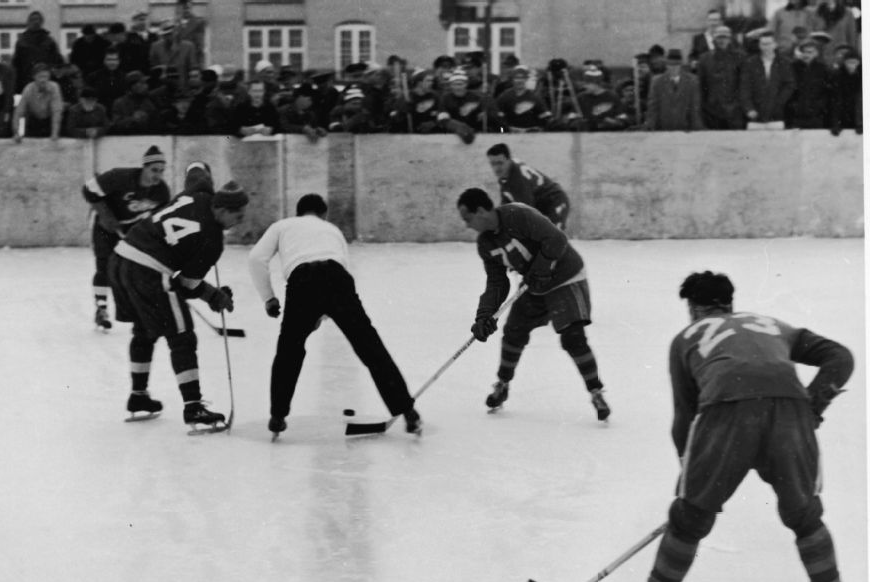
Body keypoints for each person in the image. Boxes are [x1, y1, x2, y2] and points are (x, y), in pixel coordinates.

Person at [625, 271, 853, 582]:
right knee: (805, 515)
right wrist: (812, 407)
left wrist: (689, 480)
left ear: (693, 308)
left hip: (725, 413)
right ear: (729, 302)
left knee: (689, 520)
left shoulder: (685, 338)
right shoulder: (773, 325)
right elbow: (840, 358)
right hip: (789, 412)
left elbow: (685, 417)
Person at [249, 194, 421, 438]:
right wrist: (325, 310)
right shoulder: (332, 229)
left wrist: (269, 299)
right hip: (337, 277)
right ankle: (407, 411)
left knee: (289, 349)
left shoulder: (283, 226)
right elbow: (342, 269)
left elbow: (256, 258)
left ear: (298, 213)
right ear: (323, 214)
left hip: (302, 280)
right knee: (369, 346)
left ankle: (277, 416)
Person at [108, 163, 249, 430]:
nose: (239, 223)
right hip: (148, 271)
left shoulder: (199, 191)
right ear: (220, 210)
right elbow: (185, 286)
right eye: (237, 216)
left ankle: (138, 397)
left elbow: (195, 168)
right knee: (182, 336)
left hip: (120, 259)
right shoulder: (212, 242)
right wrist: (212, 295)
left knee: (144, 331)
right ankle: (193, 407)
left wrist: (202, 166)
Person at [455, 188, 609, 420]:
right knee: (513, 332)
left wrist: (543, 265)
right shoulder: (485, 244)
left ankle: (596, 391)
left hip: (565, 277)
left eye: (468, 219)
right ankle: (502, 385)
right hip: (535, 284)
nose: (467, 225)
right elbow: (497, 282)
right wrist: (485, 314)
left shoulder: (518, 215)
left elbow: (556, 239)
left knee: (572, 337)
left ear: (481, 211)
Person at [81, 145, 172, 329]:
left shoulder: (161, 191)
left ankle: (141, 307)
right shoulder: (120, 177)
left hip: (131, 228)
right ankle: (101, 308)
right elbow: (88, 191)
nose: (158, 175)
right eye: (154, 170)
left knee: (135, 268)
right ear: (144, 168)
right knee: (105, 265)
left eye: (161, 171)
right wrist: (106, 215)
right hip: (104, 226)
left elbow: (160, 219)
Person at [486, 144, 571, 230]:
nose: (496, 168)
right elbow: (507, 202)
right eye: (493, 164)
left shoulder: (517, 181)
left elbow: (527, 213)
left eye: (500, 163)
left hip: (555, 202)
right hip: (542, 205)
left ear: (509, 160)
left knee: (553, 239)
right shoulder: (507, 173)